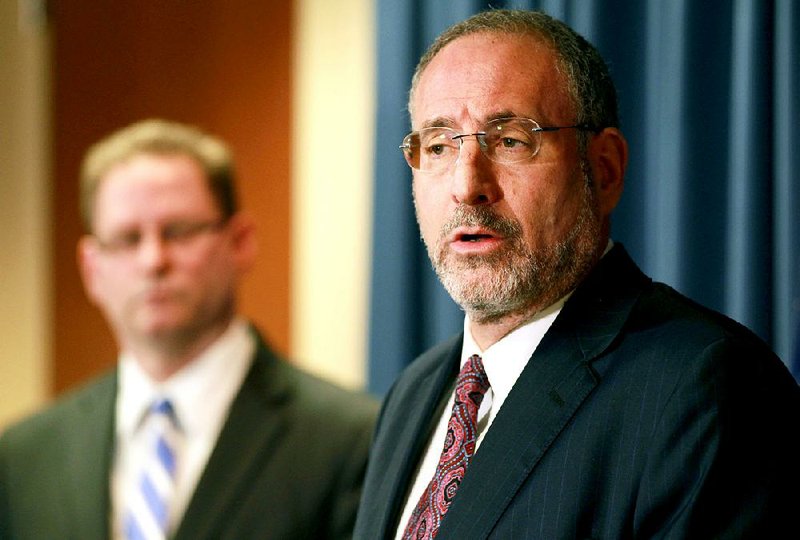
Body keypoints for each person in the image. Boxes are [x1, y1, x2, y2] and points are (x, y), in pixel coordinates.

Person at [354, 9, 800, 539]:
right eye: (438, 146)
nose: (466, 184)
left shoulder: (707, 388)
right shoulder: (413, 393)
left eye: (511, 140)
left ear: (604, 168)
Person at [0, 119, 378, 540]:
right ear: (92, 268)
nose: (153, 261)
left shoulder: (353, 440)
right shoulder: (23, 458)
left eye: (177, 232)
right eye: (127, 239)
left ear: (240, 242)